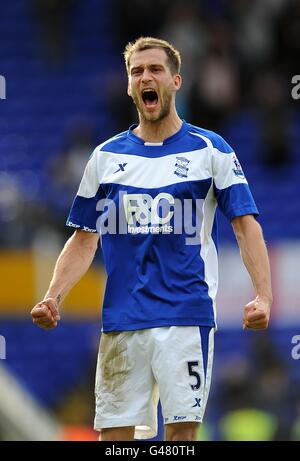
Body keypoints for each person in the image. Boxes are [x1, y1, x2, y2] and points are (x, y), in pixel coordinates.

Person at [30, 37, 272, 441]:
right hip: (122, 321)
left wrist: (263, 295)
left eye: (155, 69)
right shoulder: (105, 159)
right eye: (136, 71)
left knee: (180, 437)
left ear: (175, 81)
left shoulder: (210, 150)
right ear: (129, 87)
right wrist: (54, 295)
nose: (146, 77)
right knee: (116, 441)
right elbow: (83, 238)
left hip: (185, 317)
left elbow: (245, 225)